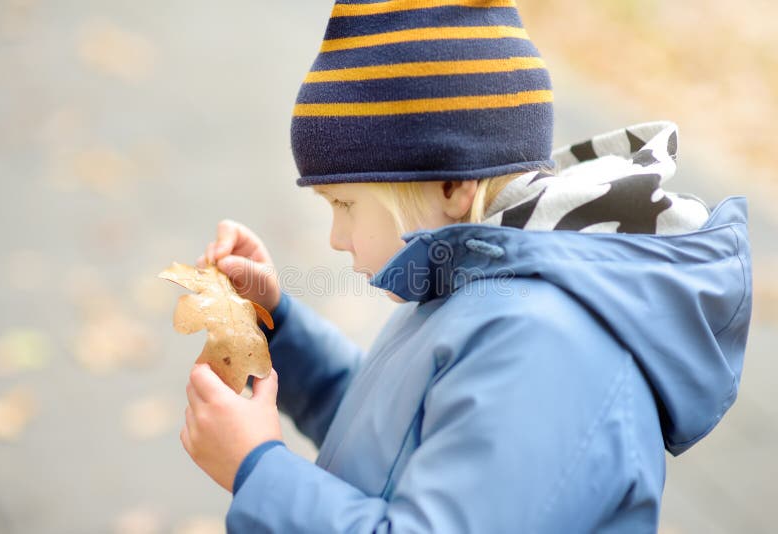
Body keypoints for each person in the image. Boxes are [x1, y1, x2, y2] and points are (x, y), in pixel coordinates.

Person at [179, 1, 753, 532]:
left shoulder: (546, 346)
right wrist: (276, 328)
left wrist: (258, 469)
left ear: (453, 186)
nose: (336, 236)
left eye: (346, 205)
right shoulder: (475, 281)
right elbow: (392, 441)